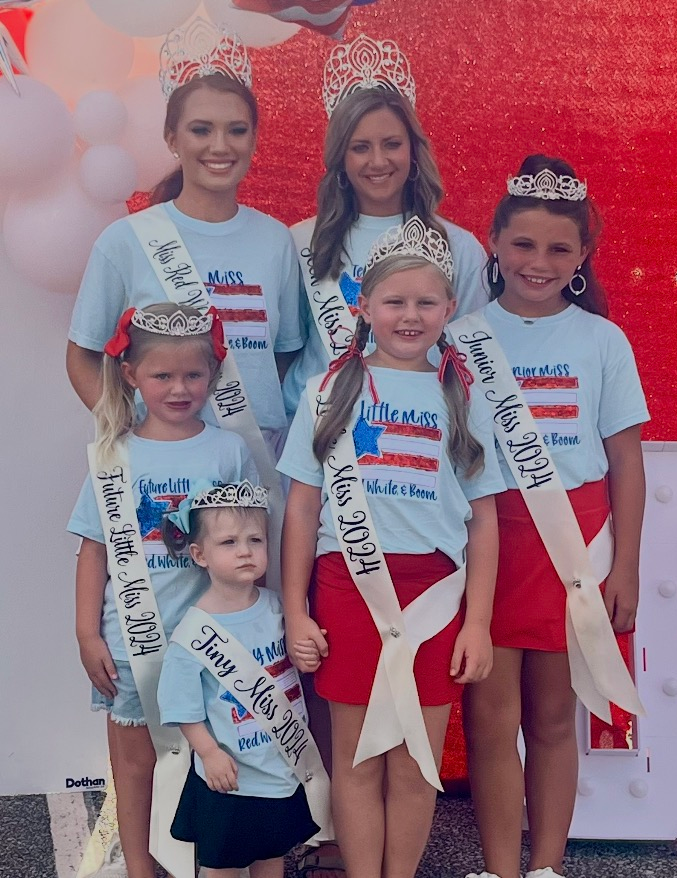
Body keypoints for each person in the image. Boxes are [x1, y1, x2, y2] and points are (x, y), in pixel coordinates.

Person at [277, 218, 506, 878]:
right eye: (395, 302)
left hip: (435, 595)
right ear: (364, 306)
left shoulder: (464, 395)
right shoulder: (329, 393)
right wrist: (296, 610)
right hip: (347, 591)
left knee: (415, 762)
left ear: (450, 307)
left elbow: (483, 521)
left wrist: (480, 624)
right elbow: (302, 508)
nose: (410, 315)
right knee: (355, 757)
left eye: (425, 302)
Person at [449, 155, 649, 878]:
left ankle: (547, 869)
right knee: (491, 723)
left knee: (555, 720)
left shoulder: (603, 341)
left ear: (583, 258)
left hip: (576, 546)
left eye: (559, 248)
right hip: (489, 544)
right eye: (523, 244)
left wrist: (624, 563)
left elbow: (626, 460)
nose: (539, 261)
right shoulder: (459, 336)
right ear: (494, 244)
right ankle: (502, 870)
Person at [68, 303, 258, 878]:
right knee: (133, 763)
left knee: (217, 754)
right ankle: (140, 869)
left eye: (193, 375)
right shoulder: (113, 453)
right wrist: (84, 632)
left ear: (213, 375)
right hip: (130, 639)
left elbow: (250, 541)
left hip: (210, 637)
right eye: (162, 376)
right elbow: (94, 548)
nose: (180, 388)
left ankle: (217, 862)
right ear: (130, 375)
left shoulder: (229, 451)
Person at [67, 20, 301, 456]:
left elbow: (283, 356)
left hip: (257, 460)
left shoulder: (276, 241)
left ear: (253, 140)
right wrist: (130, 431)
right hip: (162, 456)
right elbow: (82, 355)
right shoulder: (126, 239)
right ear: (172, 139)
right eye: (201, 130)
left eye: (236, 130)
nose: (220, 145)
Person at [283, 33, 488, 420]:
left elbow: (470, 362)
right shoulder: (298, 242)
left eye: (391, 143)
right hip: (318, 439)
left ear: (413, 149)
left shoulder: (457, 246)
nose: (378, 160)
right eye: (360, 147)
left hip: (415, 436)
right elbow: (287, 351)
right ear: (340, 157)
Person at [157, 482, 320, 878]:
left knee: (272, 855)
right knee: (222, 866)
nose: (245, 551)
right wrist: (209, 754)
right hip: (229, 777)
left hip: (279, 768)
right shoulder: (194, 631)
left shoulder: (279, 609)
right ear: (200, 555)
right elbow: (181, 706)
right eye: (229, 542)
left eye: (255, 540)